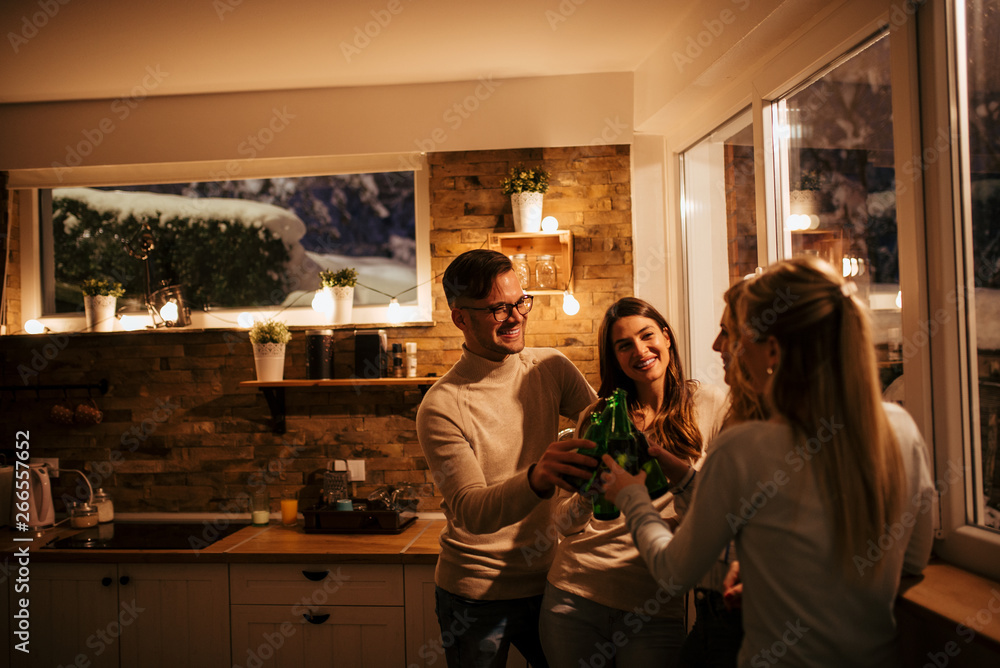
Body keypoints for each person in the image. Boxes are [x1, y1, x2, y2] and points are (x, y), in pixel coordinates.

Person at [601, 256, 936, 667]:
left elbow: (673, 573)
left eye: (734, 334)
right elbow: (913, 558)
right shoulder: (900, 426)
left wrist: (632, 497)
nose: (717, 347)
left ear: (772, 349)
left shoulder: (744, 447)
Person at [417, 248, 598, 668]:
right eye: (498, 309)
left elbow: (601, 422)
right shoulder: (441, 405)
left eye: (520, 302)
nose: (516, 316)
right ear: (460, 317)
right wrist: (539, 477)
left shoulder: (550, 367)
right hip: (475, 595)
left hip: (552, 580)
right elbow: (471, 511)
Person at [539, 297, 728, 668]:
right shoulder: (598, 416)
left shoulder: (711, 405)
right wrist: (586, 499)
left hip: (654, 606)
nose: (640, 351)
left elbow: (719, 505)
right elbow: (562, 522)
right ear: (615, 358)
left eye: (647, 336)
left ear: (667, 337)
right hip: (572, 595)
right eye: (624, 345)